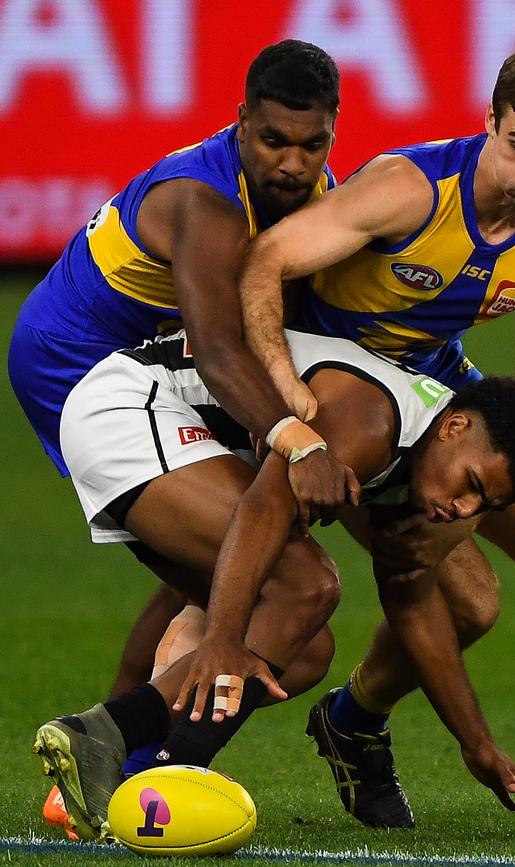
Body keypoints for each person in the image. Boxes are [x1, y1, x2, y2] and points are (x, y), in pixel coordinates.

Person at [236, 42, 515, 835]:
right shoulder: (410, 189)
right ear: (490, 121)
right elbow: (269, 259)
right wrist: (288, 409)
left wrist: (469, 503)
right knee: (469, 599)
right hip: (340, 385)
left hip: (429, 392)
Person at [9, 38, 357, 833]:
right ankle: (133, 764)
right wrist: (299, 442)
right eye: (273, 140)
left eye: (312, 144)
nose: (293, 164)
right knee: (264, 570)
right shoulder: (202, 200)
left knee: (255, 604)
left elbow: (286, 331)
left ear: (334, 130)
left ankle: (95, 774)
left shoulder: (319, 197)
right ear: (240, 124)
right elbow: (222, 345)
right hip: (79, 368)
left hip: (168, 374)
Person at [33, 325, 515, 841]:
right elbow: (262, 507)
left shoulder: (417, 464)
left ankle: (112, 748)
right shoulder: (374, 419)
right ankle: (155, 767)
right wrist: (221, 636)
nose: (463, 508)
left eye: (485, 504)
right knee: (307, 583)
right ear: (455, 426)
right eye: (471, 484)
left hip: (175, 439)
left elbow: (414, 605)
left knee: (303, 652)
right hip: (130, 407)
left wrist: (476, 744)